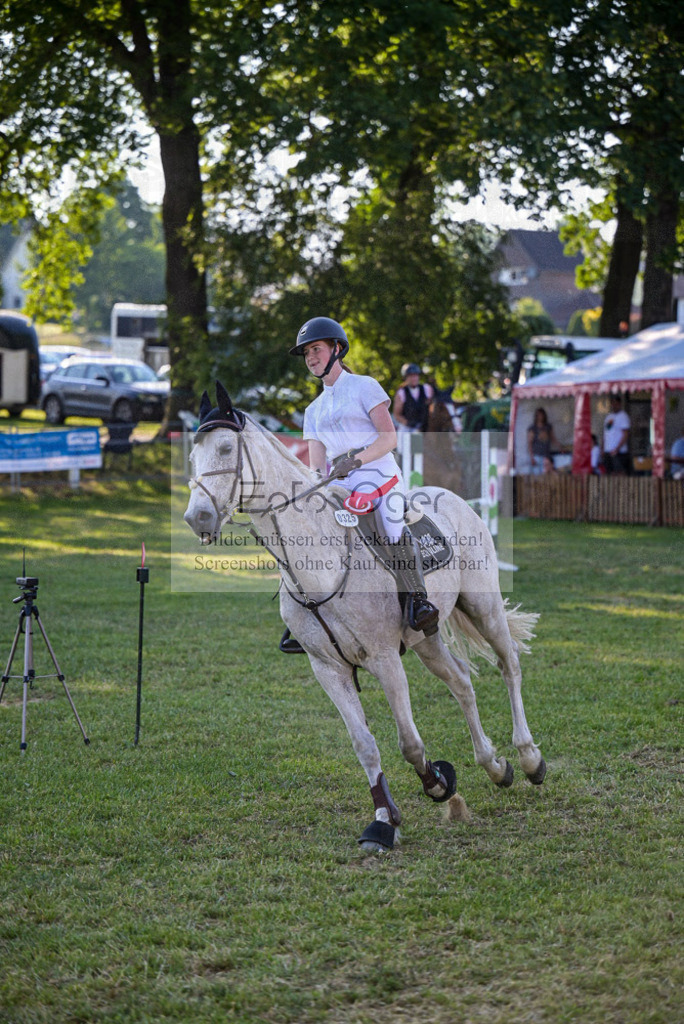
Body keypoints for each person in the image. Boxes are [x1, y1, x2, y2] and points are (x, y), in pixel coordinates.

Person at [280, 316, 439, 653]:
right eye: (307, 352)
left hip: (379, 474)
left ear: (337, 348)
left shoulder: (365, 386)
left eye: (316, 349)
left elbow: (389, 437)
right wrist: (310, 491)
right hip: (341, 484)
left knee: (391, 526)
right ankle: (302, 615)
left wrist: (357, 461)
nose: (311, 357)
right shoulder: (313, 410)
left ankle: (418, 601)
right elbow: (317, 466)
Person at [392, 363, 434, 433]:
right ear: (405, 378)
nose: (414, 378)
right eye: (411, 376)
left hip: (425, 426)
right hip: (408, 427)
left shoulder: (426, 389)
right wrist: (408, 423)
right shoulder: (401, 393)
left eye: (415, 375)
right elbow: (397, 414)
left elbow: (433, 406)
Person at [527, 407, 561, 475]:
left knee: (546, 474)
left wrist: (560, 447)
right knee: (537, 475)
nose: (540, 417)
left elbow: (553, 438)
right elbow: (529, 443)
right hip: (536, 455)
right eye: (539, 415)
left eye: (542, 415)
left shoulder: (548, 427)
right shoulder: (533, 428)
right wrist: (531, 457)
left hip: (546, 456)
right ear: (536, 416)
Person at [601, 395, 630, 475]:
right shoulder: (608, 417)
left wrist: (617, 448)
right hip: (608, 450)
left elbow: (626, 434)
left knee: (619, 472)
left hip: (619, 452)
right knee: (609, 472)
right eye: (612, 403)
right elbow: (605, 433)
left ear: (619, 404)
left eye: (615, 403)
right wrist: (602, 448)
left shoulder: (623, 416)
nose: (614, 405)